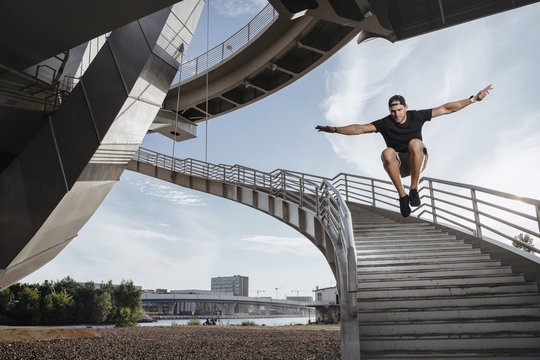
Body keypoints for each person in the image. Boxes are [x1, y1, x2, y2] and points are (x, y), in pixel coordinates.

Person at [316, 85, 493, 217]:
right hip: (398, 165)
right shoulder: (385, 122)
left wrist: (472, 99)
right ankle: (402, 196)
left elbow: (446, 108)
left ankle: (414, 189)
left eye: (399, 110)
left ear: (406, 108)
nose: (396, 114)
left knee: (415, 143)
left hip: (417, 159)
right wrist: (335, 129)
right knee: (387, 152)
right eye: (393, 111)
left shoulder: (417, 115)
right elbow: (360, 128)